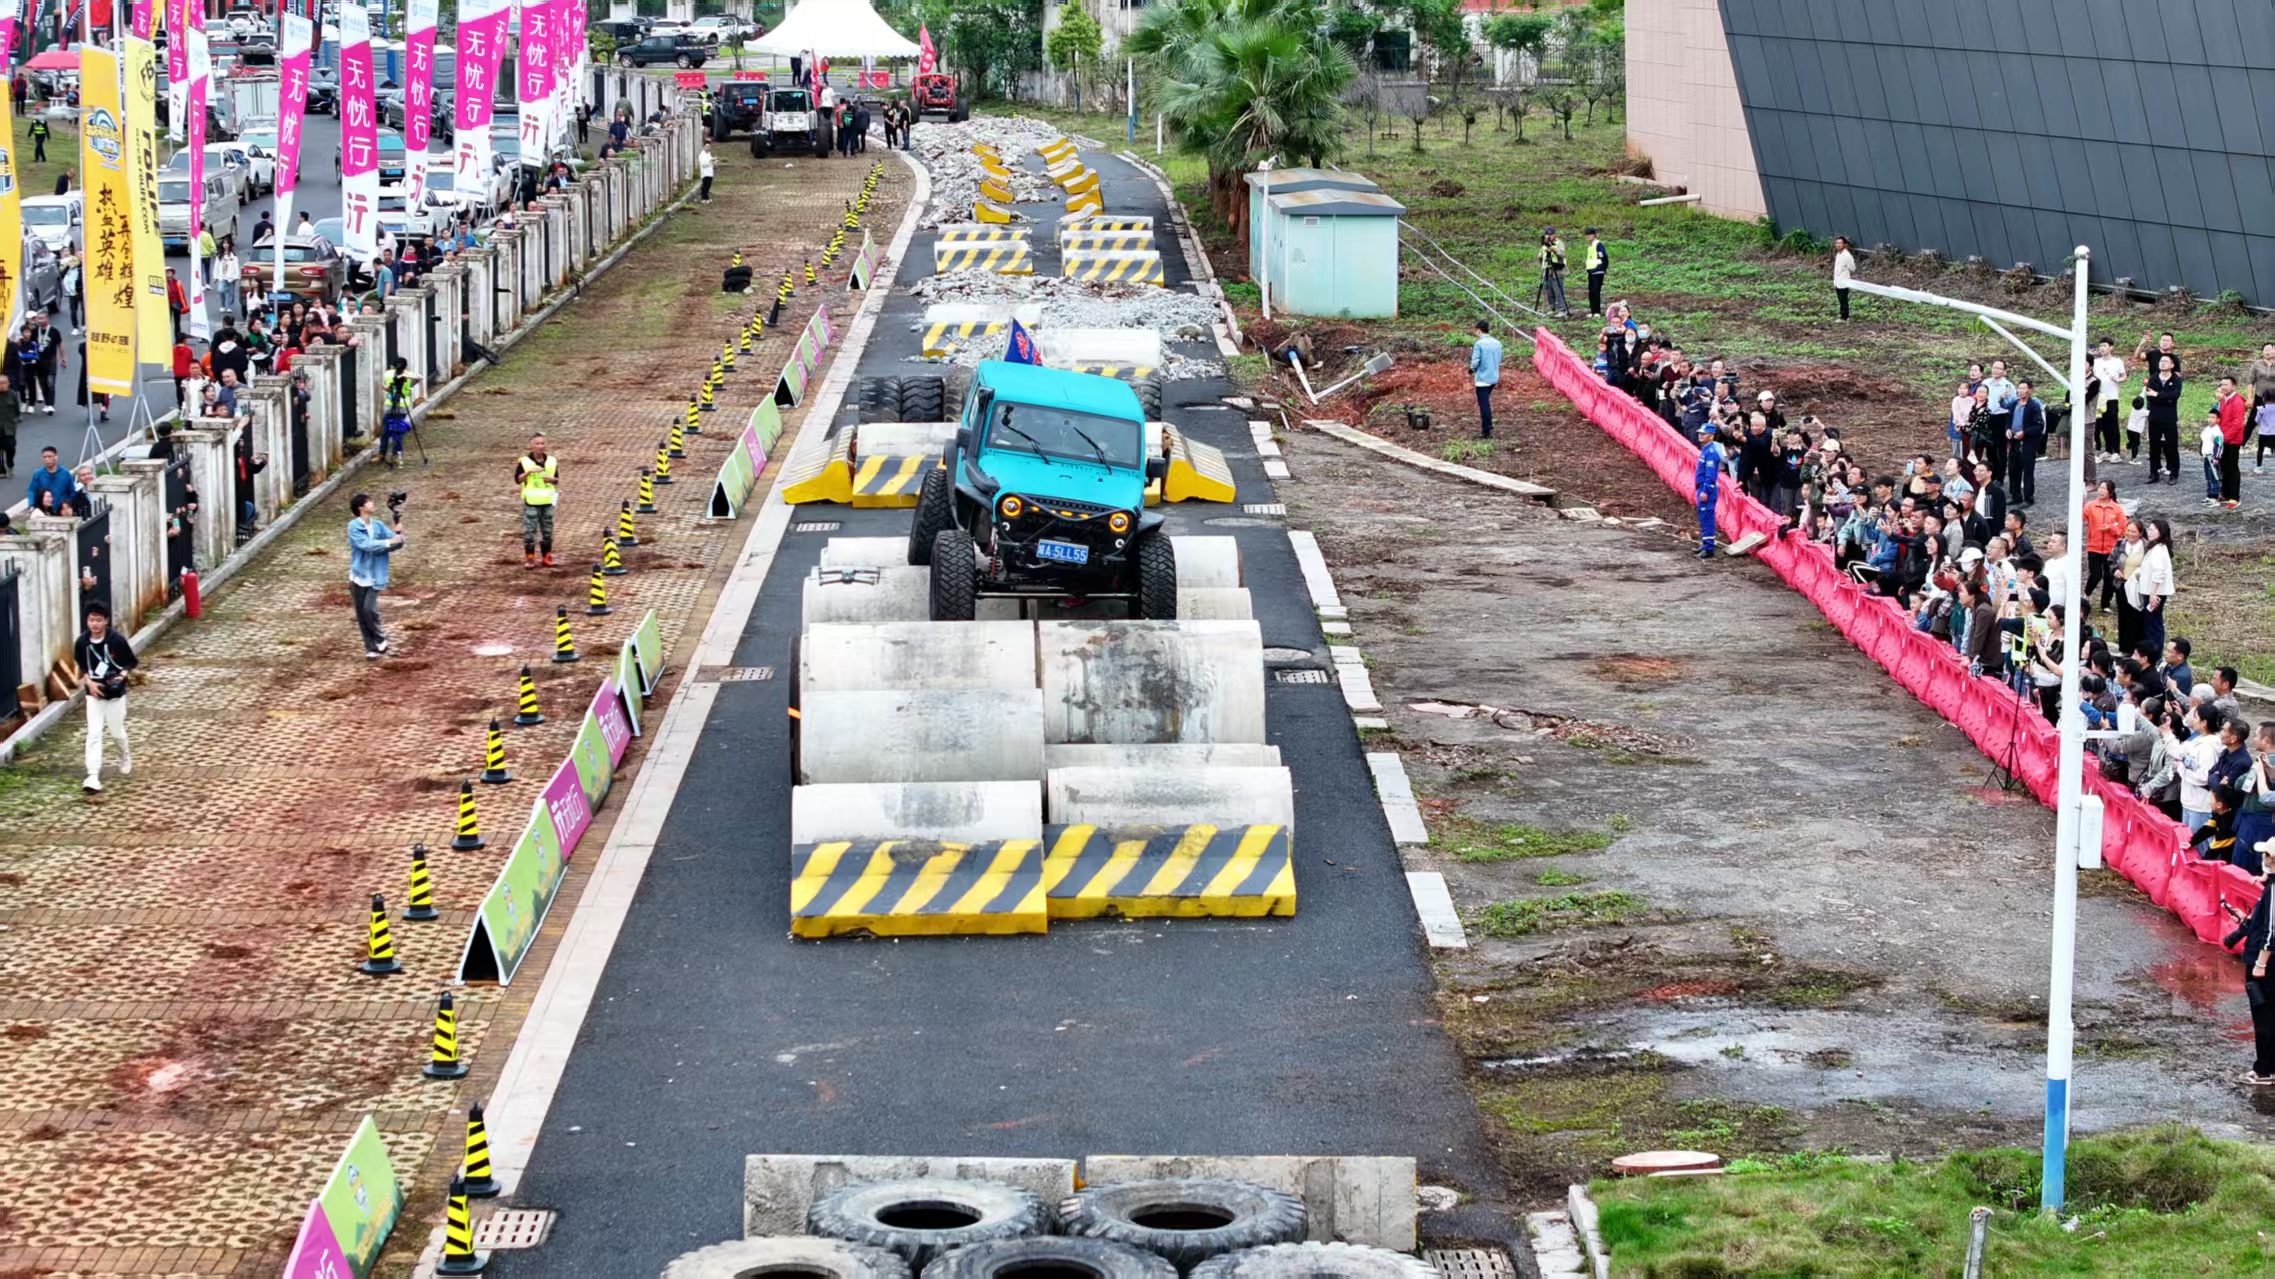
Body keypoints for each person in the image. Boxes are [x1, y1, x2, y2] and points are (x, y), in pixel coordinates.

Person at [2219, 862, 2275, 1086]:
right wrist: (2245, 921)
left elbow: (2271, 932)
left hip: (2266, 965)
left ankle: (2264, 1070)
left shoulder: (2273, 890)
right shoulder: (2269, 888)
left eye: (2268, 856)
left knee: (2264, 1016)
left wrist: (2260, 964)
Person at [75, 600, 137, 792]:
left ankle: (124, 753)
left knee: (116, 731)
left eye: (98, 620)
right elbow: (82, 666)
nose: (94, 624)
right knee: (94, 733)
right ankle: (92, 775)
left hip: (115, 694)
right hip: (93, 695)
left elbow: (130, 662)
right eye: (91, 620)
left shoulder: (116, 640)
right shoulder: (82, 642)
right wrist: (89, 682)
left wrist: (121, 677)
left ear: (106, 621)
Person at [347, 493, 405, 659]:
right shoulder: (353, 527)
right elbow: (365, 545)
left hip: (376, 575)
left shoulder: (378, 526)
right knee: (361, 614)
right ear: (361, 507)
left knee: (369, 609)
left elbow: (397, 543)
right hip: (358, 576)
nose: (373, 504)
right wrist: (389, 542)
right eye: (369, 502)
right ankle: (371, 648)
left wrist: (399, 535)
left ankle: (380, 638)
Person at [516, 432, 559, 567]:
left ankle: (547, 557)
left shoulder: (552, 461)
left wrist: (552, 480)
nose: (540, 446)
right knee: (530, 530)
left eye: (542, 443)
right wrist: (529, 472)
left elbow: (556, 479)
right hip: (532, 502)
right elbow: (518, 479)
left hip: (547, 501)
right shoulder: (524, 462)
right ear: (531, 445)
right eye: (537, 443)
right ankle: (530, 558)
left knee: (547, 530)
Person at [2136, 516, 2176, 662]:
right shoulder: (2156, 548)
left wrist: (2153, 593)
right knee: (2151, 624)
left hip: (2155, 593)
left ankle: (2155, 656)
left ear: (2160, 532)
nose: (2150, 531)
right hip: (2151, 591)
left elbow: (2159, 573)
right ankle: (2153, 654)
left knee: (2153, 626)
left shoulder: (2159, 550)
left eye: (2153, 529)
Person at [2082, 479, 2124, 613]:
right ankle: (2086, 595)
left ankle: (2105, 603)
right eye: (2100, 488)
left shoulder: (2116, 508)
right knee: (2095, 574)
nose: (2100, 491)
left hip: (2111, 549)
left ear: (2110, 492)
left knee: (2109, 576)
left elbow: (2123, 529)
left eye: (2104, 489)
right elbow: (2081, 517)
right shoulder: (2091, 506)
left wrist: (2111, 528)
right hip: (2094, 546)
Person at [2143, 353, 2182, 482]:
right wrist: (2163, 397)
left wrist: (2158, 395)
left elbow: (2174, 396)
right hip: (2154, 417)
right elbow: (2149, 395)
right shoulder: (2153, 378)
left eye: (2165, 361)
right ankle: (2154, 473)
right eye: (2161, 361)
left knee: (2171, 446)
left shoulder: (2176, 379)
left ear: (2172, 365)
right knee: (2154, 446)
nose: (2162, 363)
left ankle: (2173, 473)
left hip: (2169, 417)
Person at [2006, 379, 2045, 505]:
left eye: (2024, 388)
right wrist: (2007, 429)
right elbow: (2008, 420)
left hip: (2028, 442)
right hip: (2014, 440)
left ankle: (2028, 497)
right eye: (2019, 388)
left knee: (2027, 470)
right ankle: (2015, 495)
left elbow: (2039, 426)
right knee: (2013, 468)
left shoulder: (2033, 406)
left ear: (2029, 390)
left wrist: (2025, 432)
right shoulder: (2014, 404)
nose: (2021, 391)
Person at [2090, 338, 2127, 461]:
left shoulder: (2117, 361)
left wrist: (2117, 380)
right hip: (2099, 397)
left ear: (2111, 347)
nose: (2102, 348)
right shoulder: (2096, 362)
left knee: (2113, 423)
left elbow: (2124, 376)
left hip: (2112, 396)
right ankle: (2107, 450)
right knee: (2102, 424)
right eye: (2100, 346)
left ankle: (2116, 451)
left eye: (2104, 346)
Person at [1694, 420, 1725, 559]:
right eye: (1700, 434)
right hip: (1701, 487)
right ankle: (1705, 542)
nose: (1700, 436)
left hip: (1707, 489)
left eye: (1704, 434)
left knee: (1707, 517)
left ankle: (1708, 547)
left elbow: (1710, 475)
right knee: (1703, 517)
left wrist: (1706, 490)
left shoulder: (1711, 452)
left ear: (1711, 436)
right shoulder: (1705, 450)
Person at [2216, 374, 2247, 507]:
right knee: (2224, 467)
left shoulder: (2238, 401)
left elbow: (2237, 424)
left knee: (2232, 468)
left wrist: (2225, 438)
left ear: (2233, 386)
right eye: (2222, 384)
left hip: (2232, 440)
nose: (2223, 387)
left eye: (2226, 384)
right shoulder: (2224, 400)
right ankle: (2225, 493)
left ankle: (2234, 496)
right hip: (2223, 439)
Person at [1469, 319, 1500, 440]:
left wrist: (1472, 369)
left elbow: (1476, 361)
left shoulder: (1479, 344)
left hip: (1482, 378)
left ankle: (1486, 429)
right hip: (1493, 376)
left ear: (1479, 330)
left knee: (1484, 404)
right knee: (1486, 401)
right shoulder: (1497, 343)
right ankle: (1488, 426)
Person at [26, 444, 75, 511]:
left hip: (61, 510)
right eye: (44, 457)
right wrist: (31, 505)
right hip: (44, 509)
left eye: (49, 456)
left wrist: (67, 504)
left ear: (56, 457)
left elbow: (72, 491)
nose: (47, 459)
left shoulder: (65, 474)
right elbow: (31, 490)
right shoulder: (38, 474)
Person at [1536, 227, 1568, 318]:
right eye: (1547, 234)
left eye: (1550, 234)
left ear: (1554, 234)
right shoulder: (1544, 245)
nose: (1549, 236)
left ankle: (1562, 309)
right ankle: (1552, 308)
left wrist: (1552, 248)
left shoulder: (1559, 243)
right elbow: (1540, 256)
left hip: (1557, 269)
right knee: (1548, 290)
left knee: (1558, 290)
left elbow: (1561, 254)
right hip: (1547, 269)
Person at [2201, 407, 2226, 505]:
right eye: (2209, 417)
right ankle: (2209, 494)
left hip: (2212, 457)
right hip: (2206, 456)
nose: (2210, 419)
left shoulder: (2217, 431)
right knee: (2208, 476)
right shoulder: (2207, 429)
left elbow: (2219, 445)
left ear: (2218, 419)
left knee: (2213, 476)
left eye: (2213, 417)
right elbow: (2204, 442)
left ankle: (2215, 496)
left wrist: (2216, 457)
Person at [1582, 227, 1609, 317]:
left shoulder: (1598, 244)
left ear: (1594, 235)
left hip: (1597, 271)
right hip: (1591, 271)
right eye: (1587, 234)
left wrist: (1602, 268)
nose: (1588, 236)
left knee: (1596, 291)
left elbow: (1604, 257)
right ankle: (1593, 311)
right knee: (1591, 291)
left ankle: (1597, 311)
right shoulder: (1590, 246)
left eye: (1590, 234)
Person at [1831, 236, 1855, 321]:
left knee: (1843, 299)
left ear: (1844, 244)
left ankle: (1844, 316)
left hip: (1844, 281)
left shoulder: (1847, 255)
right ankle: (1843, 315)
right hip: (1838, 281)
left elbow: (1852, 267)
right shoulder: (1838, 254)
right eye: (1837, 243)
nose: (1838, 245)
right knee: (1840, 299)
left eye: (1840, 243)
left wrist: (1845, 269)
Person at [165, 267, 188, 343]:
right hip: (167, 305)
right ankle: (166, 339)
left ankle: (178, 339)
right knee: (167, 322)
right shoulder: (163, 283)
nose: (169, 273)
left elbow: (181, 295)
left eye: (170, 272)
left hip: (176, 304)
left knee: (177, 323)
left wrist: (184, 306)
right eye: (167, 272)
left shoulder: (177, 282)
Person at [0, 373, 13, 476]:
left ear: (8, 384)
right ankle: (1, 469)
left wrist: (14, 422)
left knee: (10, 447)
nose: (2, 385)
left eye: (4, 383)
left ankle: (10, 463)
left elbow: (17, 411)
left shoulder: (12, 395)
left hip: (9, 428)